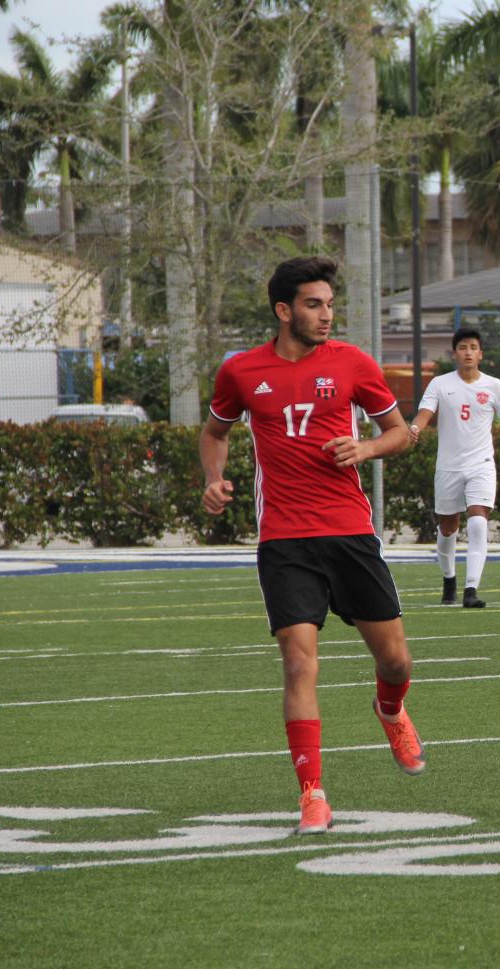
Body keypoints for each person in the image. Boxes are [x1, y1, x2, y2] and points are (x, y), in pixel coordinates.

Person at [199, 256, 425, 836]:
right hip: (284, 539)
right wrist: (213, 478)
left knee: (396, 661)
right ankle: (312, 796)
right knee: (299, 663)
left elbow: (401, 433)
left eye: (329, 304)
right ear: (283, 310)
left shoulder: (353, 363)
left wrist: (366, 450)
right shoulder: (242, 372)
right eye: (313, 304)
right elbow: (214, 433)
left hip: (349, 530)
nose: (326, 315)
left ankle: (391, 709)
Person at [408, 328, 500, 609]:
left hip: (482, 465)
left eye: (473, 347)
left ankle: (471, 589)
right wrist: (415, 427)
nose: (468, 352)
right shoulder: (440, 384)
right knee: (447, 527)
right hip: (449, 468)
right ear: (455, 353)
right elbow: (425, 413)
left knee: (478, 521)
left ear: (481, 354)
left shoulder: (494, 386)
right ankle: (449, 578)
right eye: (463, 347)